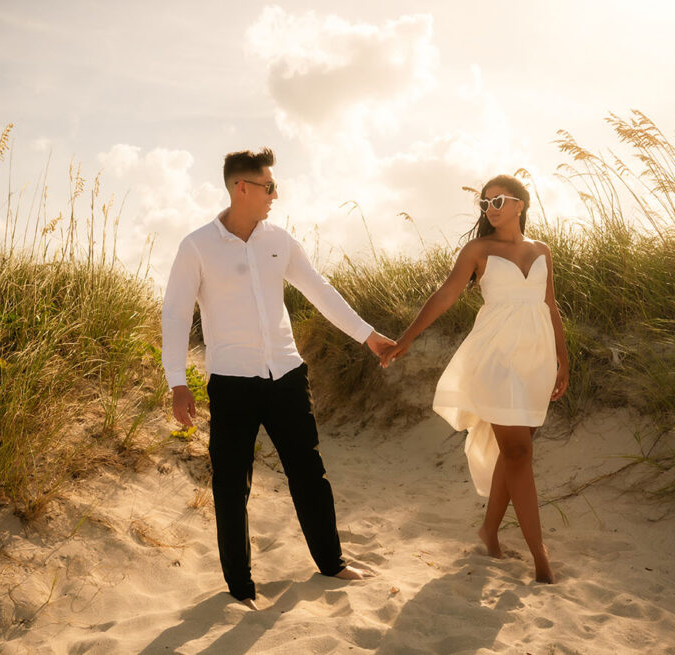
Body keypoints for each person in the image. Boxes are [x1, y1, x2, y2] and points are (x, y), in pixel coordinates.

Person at [162, 147, 396, 609]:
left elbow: (319, 289)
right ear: (240, 188)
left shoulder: (280, 240)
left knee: (309, 472)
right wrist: (177, 382)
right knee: (232, 485)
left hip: (286, 375)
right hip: (232, 383)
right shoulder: (197, 246)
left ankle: (332, 563)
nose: (275, 194)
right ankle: (241, 588)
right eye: (268, 186)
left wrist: (368, 337)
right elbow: (175, 313)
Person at [380, 174, 569, 583]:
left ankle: (488, 530)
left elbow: (550, 306)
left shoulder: (543, 251)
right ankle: (541, 558)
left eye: (498, 201)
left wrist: (563, 356)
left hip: (535, 360)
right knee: (519, 453)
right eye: (485, 204)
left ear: (520, 204)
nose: (491, 208)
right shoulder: (478, 250)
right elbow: (446, 294)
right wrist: (406, 339)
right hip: (495, 357)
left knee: (515, 450)